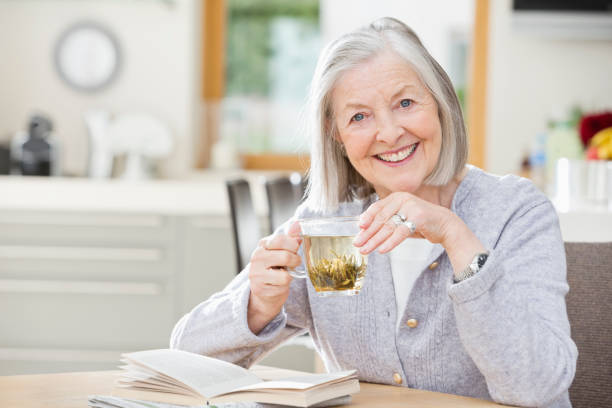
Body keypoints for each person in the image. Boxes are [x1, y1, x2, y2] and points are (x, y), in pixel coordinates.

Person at [171, 17, 576, 408]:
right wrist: (257, 305)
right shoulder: (326, 225)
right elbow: (184, 357)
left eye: (405, 103)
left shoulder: (514, 212)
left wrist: (455, 235)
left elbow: (537, 388)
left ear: (440, 104)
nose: (389, 132)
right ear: (337, 134)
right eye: (359, 116)